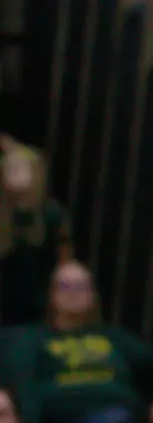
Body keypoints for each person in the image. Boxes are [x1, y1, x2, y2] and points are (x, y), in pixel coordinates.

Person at [14, 262, 153, 423]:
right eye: (65, 286)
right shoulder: (33, 338)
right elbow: (24, 386)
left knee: (134, 419)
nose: (73, 293)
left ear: (92, 295)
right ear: (51, 295)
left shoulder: (112, 336)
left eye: (81, 287)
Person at [0, 141, 73, 329]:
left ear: (36, 172)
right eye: (9, 168)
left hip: (39, 306)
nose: (14, 173)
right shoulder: (4, 214)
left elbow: (64, 263)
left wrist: (64, 302)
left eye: (20, 168)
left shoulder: (51, 214)